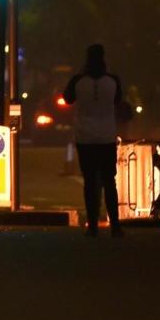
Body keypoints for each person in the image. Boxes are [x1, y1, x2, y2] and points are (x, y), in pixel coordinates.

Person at [63, 44, 124, 237]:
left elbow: (67, 99)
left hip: (85, 138)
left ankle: (93, 225)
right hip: (107, 137)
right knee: (109, 181)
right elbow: (118, 100)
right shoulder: (112, 81)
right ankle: (115, 224)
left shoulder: (78, 81)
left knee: (90, 182)